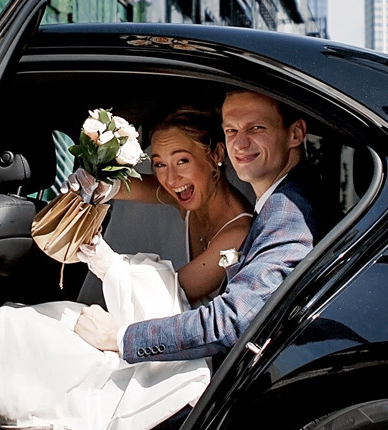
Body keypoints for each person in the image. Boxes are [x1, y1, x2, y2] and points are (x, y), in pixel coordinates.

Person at [73, 89, 314, 363]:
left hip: (201, 361)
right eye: (231, 130)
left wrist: (118, 336)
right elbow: (154, 188)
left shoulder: (284, 217)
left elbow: (226, 320)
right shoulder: (192, 197)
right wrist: (106, 185)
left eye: (256, 127)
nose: (241, 143)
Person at [110, 107, 251, 303]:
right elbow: (133, 187)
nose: (171, 179)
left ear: (216, 155)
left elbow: (169, 295)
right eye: (160, 164)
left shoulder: (238, 234)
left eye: (182, 161)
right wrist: (99, 183)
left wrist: (104, 262)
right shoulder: (189, 198)